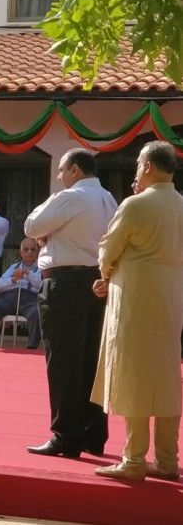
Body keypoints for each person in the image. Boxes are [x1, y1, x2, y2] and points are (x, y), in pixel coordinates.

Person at [89, 141, 183, 481]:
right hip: (171, 300)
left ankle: (133, 460)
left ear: (147, 167)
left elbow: (108, 248)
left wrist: (105, 275)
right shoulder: (180, 205)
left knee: (135, 377)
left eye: (138, 165)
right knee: (166, 376)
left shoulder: (135, 204)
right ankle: (169, 459)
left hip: (135, 299)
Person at [24, 148, 117, 459]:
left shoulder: (72, 197)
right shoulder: (108, 199)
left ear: (75, 170)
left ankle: (66, 435)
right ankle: (93, 433)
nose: (60, 177)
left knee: (63, 361)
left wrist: (48, 232)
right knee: (92, 362)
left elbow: (32, 226)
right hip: (96, 283)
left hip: (65, 285)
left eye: (62, 170)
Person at [0, 237, 43, 348]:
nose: (29, 252)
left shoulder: (41, 268)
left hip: (29, 299)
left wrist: (28, 274)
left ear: (38, 252)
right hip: (8, 298)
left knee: (37, 313)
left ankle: (32, 347)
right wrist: (13, 280)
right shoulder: (13, 267)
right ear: (20, 252)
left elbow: (41, 286)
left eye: (33, 249)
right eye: (26, 249)